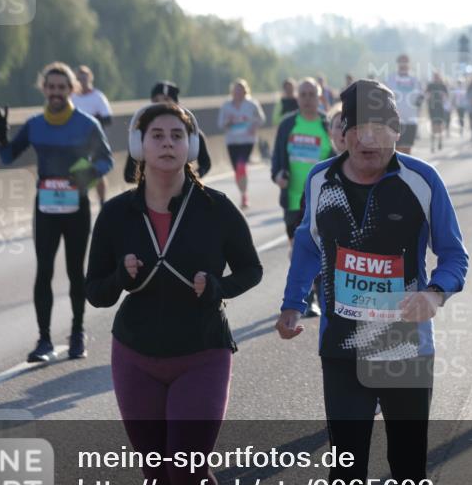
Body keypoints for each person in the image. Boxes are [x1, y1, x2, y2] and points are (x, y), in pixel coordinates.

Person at [276, 79, 468, 485]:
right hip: (341, 348)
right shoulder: (320, 180)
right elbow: (306, 244)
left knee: (407, 468)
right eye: (359, 128)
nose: (369, 141)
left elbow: (453, 254)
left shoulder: (422, 180)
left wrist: (434, 293)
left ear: (397, 132)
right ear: (342, 131)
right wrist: (293, 304)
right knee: (345, 476)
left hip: (401, 344)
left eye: (381, 129)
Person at [86, 102, 262, 485]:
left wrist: (219, 287)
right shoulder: (118, 213)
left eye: (176, 136)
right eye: (156, 135)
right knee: (158, 474)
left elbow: (251, 268)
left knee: (187, 465)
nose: (167, 143)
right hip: (136, 356)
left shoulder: (215, 208)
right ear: (140, 146)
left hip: (202, 353)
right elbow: (93, 290)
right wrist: (119, 277)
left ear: (192, 146)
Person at [0, 61, 114, 363]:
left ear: (71, 89)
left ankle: (77, 334)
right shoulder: (35, 124)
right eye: (51, 87)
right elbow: (8, 157)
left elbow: (106, 161)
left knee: (76, 271)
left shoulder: (87, 124)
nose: (56, 93)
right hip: (46, 207)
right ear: (44, 89)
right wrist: (0, 136)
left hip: (76, 206)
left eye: (62, 87)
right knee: (43, 270)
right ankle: (44, 340)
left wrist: (81, 176)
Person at [270, 78, 334, 317]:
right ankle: (306, 294)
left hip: (321, 199)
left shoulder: (327, 124)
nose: (307, 99)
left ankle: (313, 295)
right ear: (297, 98)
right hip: (293, 199)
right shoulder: (288, 124)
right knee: (297, 248)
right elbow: (277, 158)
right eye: (303, 94)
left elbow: (337, 155)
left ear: (319, 98)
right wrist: (278, 176)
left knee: (320, 248)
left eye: (312, 94)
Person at [124, 81, 212, 184]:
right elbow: (128, 175)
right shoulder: (142, 134)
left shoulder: (191, 133)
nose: (161, 104)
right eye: (157, 136)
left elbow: (205, 163)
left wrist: (195, 177)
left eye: (176, 136)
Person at [217, 79, 266, 209]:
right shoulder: (226, 106)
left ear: (246, 91)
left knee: (241, 166)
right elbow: (220, 124)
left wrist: (254, 125)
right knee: (237, 170)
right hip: (232, 141)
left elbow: (261, 118)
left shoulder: (251, 104)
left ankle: (244, 196)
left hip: (247, 140)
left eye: (241, 90)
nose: (238, 93)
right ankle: (243, 192)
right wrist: (227, 122)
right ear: (232, 92)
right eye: (236, 91)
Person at [71, 65, 113, 206]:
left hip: (95, 141)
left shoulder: (97, 97)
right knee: (79, 171)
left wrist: (90, 125)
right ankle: (82, 201)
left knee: (97, 173)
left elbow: (108, 119)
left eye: (84, 77)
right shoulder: (71, 97)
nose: (82, 80)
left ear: (90, 78)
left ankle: (102, 202)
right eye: (79, 77)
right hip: (75, 142)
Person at [384, 54, 423, 155]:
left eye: (405, 62)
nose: (403, 64)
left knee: (408, 148)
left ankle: (404, 169)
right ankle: (398, 169)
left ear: (409, 64)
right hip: (396, 119)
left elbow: (421, 96)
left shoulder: (415, 79)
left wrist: (417, 104)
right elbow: (384, 96)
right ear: (398, 64)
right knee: (398, 148)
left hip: (411, 118)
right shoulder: (391, 78)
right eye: (401, 62)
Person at [425, 72, 448, 152]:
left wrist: (443, 96)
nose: (436, 78)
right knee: (433, 126)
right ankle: (432, 144)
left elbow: (446, 96)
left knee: (440, 125)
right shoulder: (430, 85)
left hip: (440, 108)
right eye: (435, 77)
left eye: (437, 76)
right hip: (432, 108)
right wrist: (429, 95)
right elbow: (426, 96)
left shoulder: (443, 86)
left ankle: (440, 141)